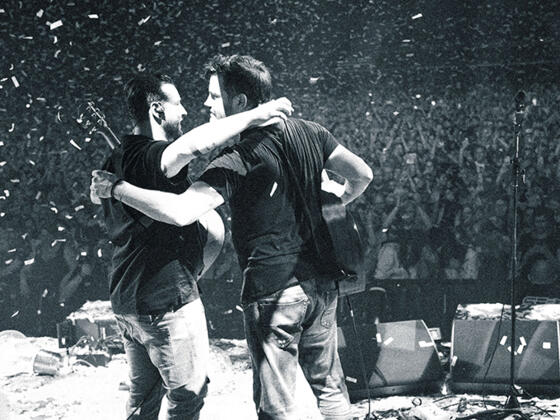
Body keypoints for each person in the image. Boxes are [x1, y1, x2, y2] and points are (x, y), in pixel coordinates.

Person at [91, 55, 373, 419]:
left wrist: (118, 189)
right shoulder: (312, 131)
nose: (204, 104)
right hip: (322, 285)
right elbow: (362, 175)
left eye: (213, 96)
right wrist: (331, 204)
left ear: (239, 102)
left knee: (277, 406)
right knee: (332, 391)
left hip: (274, 290)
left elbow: (181, 211)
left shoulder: (237, 158)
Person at [96, 72, 292, 420]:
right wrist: (256, 115)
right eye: (178, 103)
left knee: (142, 399)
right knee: (187, 396)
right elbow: (191, 146)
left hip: (128, 300)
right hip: (166, 300)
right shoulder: (152, 155)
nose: (186, 111)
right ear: (157, 110)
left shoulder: (116, 159)